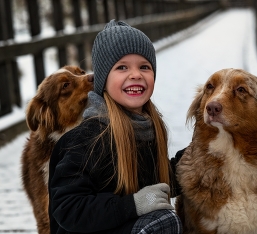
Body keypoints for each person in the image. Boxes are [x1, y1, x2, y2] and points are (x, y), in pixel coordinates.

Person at [48, 19, 184, 234]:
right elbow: (68, 208)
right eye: (122, 67)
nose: (136, 74)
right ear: (102, 79)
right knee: (164, 222)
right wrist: (133, 205)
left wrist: (199, 157)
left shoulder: (147, 128)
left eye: (144, 67)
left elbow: (157, 184)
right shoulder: (86, 138)